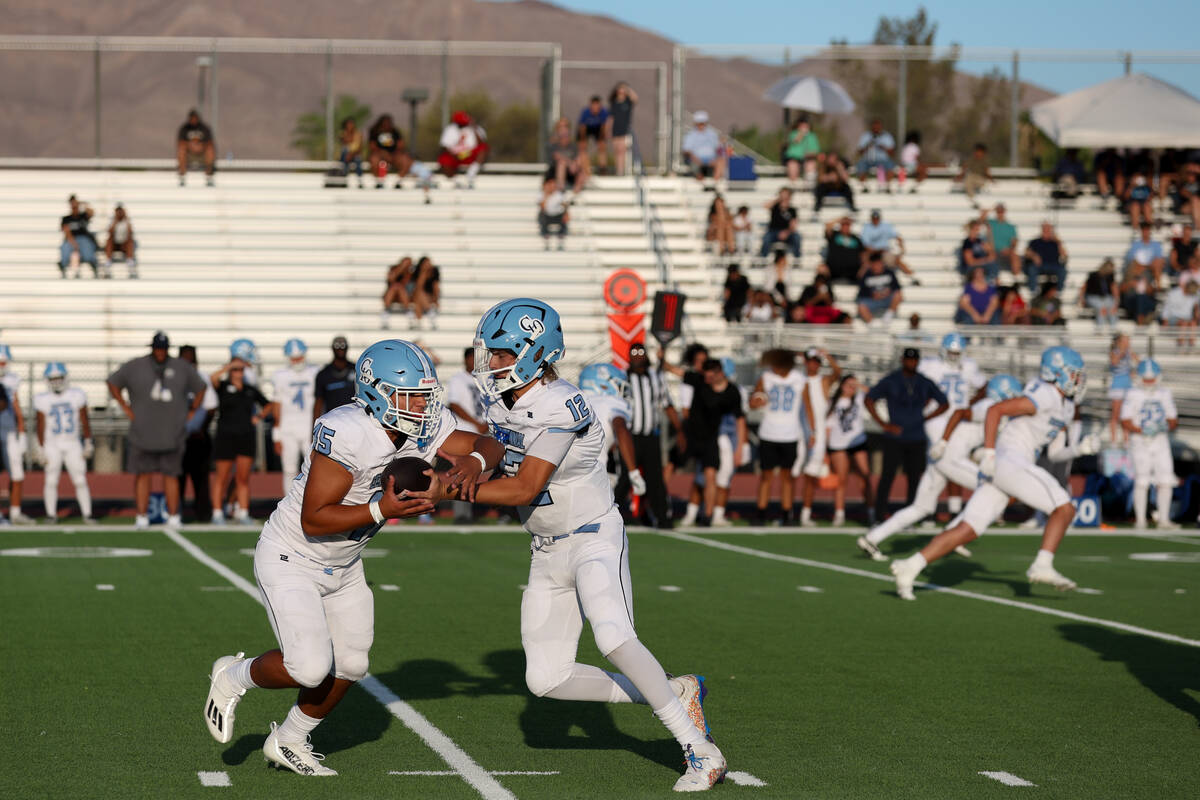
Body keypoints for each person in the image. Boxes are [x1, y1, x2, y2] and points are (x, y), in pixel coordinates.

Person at [413, 300, 727, 791]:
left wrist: (445, 489)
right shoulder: (506, 397)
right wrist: (471, 459)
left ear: (533, 352)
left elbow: (523, 488)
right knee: (546, 679)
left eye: (498, 353)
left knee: (614, 638)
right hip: (545, 547)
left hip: (592, 537)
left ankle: (699, 750)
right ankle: (673, 691)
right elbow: (500, 450)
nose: (488, 362)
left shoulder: (561, 402)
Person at [202, 339, 503, 775]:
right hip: (293, 555)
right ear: (378, 393)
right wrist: (383, 509)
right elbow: (315, 518)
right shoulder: (346, 430)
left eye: (425, 393)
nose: (423, 404)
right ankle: (234, 675)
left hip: (344, 562)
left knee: (353, 663)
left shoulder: (423, 421)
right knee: (308, 668)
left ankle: (289, 739)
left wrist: (474, 461)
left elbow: (488, 442)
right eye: (413, 394)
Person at [889, 347, 1090, 600]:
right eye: (1074, 374)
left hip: (1012, 466)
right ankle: (1042, 565)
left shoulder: (1067, 407)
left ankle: (910, 566)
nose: (1079, 379)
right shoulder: (1046, 394)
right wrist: (990, 453)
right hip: (1010, 461)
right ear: (1057, 373)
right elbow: (996, 410)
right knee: (1065, 508)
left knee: (968, 529)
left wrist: (1079, 449)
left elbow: (1054, 454)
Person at [856, 374, 1023, 562]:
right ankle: (953, 535)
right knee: (992, 488)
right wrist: (943, 442)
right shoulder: (988, 407)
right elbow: (959, 412)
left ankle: (872, 538)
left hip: (944, 457)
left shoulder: (994, 410)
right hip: (950, 456)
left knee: (921, 507)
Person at [107, 331, 207, 529]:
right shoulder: (136, 365)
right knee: (142, 475)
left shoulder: (181, 366)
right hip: (143, 433)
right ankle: (142, 516)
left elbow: (201, 387)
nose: (160, 352)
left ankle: (173, 516)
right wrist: (125, 406)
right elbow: (112, 382)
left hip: (172, 433)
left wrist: (192, 410)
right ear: (152, 348)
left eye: (163, 348)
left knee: (171, 475)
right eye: (157, 348)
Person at [865, 348, 949, 523]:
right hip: (894, 438)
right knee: (887, 476)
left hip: (916, 437)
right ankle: (879, 515)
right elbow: (869, 398)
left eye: (915, 360)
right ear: (903, 360)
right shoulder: (891, 380)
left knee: (914, 478)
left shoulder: (924, 382)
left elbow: (944, 403)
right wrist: (883, 424)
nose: (912, 363)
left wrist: (926, 417)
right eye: (909, 360)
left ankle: (911, 515)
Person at [208, 346, 270, 525]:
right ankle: (217, 512)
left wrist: (258, 417)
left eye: (240, 369)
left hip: (245, 436)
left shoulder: (250, 389)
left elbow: (268, 404)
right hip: (226, 436)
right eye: (235, 369)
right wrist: (229, 366)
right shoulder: (223, 387)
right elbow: (212, 378)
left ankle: (243, 511)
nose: (238, 372)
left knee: (243, 478)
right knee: (222, 476)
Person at [579, 363, 645, 516]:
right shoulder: (612, 403)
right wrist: (634, 472)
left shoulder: (577, 400)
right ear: (603, 384)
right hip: (592, 474)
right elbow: (621, 430)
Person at [748, 349, 804, 526]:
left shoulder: (799, 378)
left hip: (790, 434)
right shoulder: (766, 377)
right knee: (766, 475)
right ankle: (761, 512)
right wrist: (757, 400)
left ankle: (787, 513)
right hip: (769, 433)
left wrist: (813, 432)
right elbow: (754, 400)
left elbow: (808, 406)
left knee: (787, 477)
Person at [1120, 360, 1179, 529]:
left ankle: (1164, 519)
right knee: (1142, 480)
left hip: (1160, 440)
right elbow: (1125, 420)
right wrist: (1142, 430)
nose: (1149, 383)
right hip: (1140, 441)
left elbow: (1173, 419)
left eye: (1151, 379)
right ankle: (1140, 520)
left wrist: (1163, 426)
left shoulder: (1164, 393)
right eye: (1146, 379)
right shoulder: (1132, 394)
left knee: (1166, 479)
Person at [32, 363, 93, 522]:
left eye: (59, 378)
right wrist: (40, 447)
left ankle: (87, 514)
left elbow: (84, 420)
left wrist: (88, 441)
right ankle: (51, 514)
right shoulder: (42, 399)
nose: (57, 382)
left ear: (65, 378)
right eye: (53, 379)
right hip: (52, 444)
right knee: (51, 479)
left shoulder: (76, 395)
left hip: (72, 442)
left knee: (80, 479)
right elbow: (40, 424)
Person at [270, 339, 320, 495]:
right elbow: (277, 405)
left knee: (314, 468)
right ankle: (288, 505)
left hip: (309, 427)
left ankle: (313, 502)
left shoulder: (315, 372)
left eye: (299, 357)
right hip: (288, 427)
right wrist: (276, 435)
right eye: (294, 358)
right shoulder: (280, 376)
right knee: (289, 469)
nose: (297, 361)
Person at [798, 347, 841, 525]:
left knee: (811, 475)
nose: (813, 364)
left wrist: (827, 355)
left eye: (816, 361)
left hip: (818, 434)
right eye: (810, 361)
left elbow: (837, 372)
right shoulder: (798, 380)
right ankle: (787, 512)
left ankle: (805, 514)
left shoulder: (822, 381)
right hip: (799, 431)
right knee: (792, 472)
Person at [445, 347, 488, 523]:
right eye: (471, 358)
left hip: (483, 432)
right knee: (462, 473)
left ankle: (502, 510)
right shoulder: (458, 379)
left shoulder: (485, 379)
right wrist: (476, 423)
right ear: (465, 360)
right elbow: (454, 405)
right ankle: (462, 513)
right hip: (465, 432)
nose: (474, 362)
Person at [825, 374, 873, 526]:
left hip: (857, 442)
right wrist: (825, 451)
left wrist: (857, 385)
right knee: (841, 480)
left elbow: (872, 393)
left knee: (864, 477)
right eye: (847, 384)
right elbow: (828, 426)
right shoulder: (833, 402)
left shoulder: (859, 399)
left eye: (853, 385)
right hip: (838, 444)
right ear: (841, 385)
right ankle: (839, 513)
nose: (850, 388)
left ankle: (872, 512)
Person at [178, 345, 216, 522]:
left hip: (197, 436)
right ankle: (175, 512)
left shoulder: (202, 378)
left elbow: (211, 407)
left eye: (190, 359)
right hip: (177, 436)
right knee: (177, 476)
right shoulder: (174, 377)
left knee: (200, 478)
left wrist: (200, 428)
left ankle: (203, 514)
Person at [860, 209, 917, 282]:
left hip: (884, 251)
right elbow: (865, 244)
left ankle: (911, 276)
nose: (875, 220)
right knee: (865, 261)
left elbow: (897, 236)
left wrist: (901, 247)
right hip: (871, 251)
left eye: (877, 218)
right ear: (871, 219)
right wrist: (874, 250)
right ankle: (861, 279)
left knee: (896, 259)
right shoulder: (867, 227)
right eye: (874, 218)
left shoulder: (886, 226)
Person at [437, 111, 488, 187]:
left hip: (469, 154)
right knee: (444, 160)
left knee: (483, 148)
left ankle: (471, 173)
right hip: (455, 155)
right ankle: (454, 181)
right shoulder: (450, 129)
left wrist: (474, 128)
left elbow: (481, 143)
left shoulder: (475, 128)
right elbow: (445, 147)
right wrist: (455, 155)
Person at [313, 337, 355, 419]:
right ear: (332, 349)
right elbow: (318, 402)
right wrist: (314, 427)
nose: (340, 349)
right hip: (333, 421)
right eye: (337, 347)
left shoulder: (356, 370)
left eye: (343, 347)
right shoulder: (323, 374)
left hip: (354, 419)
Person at [367, 114, 412, 189]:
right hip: (379, 154)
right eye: (385, 123)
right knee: (374, 160)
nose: (387, 125)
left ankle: (398, 182)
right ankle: (379, 182)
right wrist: (383, 153)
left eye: (388, 123)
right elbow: (372, 146)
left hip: (393, 154)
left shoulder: (395, 131)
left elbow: (401, 145)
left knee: (406, 160)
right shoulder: (375, 132)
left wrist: (394, 154)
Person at [856, 252, 903, 324]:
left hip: (887, 299)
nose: (876, 266)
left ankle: (889, 315)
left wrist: (886, 293)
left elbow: (896, 287)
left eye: (878, 264)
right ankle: (872, 325)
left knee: (898, 294)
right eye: (874, 264)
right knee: (861, 306)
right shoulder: (866, 275)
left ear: (882, 263)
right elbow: (861, 293)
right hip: (872, 300)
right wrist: (872, 295)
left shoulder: (889, 273)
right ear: (871, 264)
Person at [1107, 333, 1138, 444]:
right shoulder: (1114, 352)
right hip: (1118, 387)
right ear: (1119, 342)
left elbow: (1139, 363)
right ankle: (1113, 440)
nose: (1127, 343)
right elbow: (1114, 362)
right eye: (1125, 341)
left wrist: (1133, 371)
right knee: (1115, 414)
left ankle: (1126, 440)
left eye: (1128, 341)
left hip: (1128, 386)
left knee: (1126, 414)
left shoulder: (1129, 353)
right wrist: (1122, 352)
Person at [59, 194, 99, 279]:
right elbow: (67, 231)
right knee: (67, 248)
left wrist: (83, 203)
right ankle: (64, 265)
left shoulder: (83, 216)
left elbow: (92, 212)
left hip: (83, 238)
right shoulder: (66, 218)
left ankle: (93, 263)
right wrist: (74, 243)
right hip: (71, 239)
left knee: (87, 247)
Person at [681, 111, 726, 184]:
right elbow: (686, 150)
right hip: (696, 159)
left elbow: (718, 148)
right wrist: (696, 159)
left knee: (721, 160)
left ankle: (715, 183)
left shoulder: (712, 134)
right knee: (694, 164)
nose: (701, 125)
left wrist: (716, 158)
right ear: (696, 123)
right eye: (699, 123)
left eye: (703, 123)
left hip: (711, 159)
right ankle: (701, 182)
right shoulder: (690, 135)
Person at [1023, 222, 1069, 293]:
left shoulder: (1056, 243)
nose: (1046, 231)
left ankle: (1059, 291)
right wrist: (1033, 256)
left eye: (1048, 229)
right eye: (1045, 229)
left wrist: (1058, 242)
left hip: (1053, 265)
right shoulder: (1035, 241)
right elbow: (1026, 253)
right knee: (1031, 269)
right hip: (1039, 266)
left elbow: (1065, 255)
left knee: (1063, 271)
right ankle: (1033, 291)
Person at [547, 116, 588, 193]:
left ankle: (573, 196)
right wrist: (570, 163)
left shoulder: (573, 146)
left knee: (582, 173)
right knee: (561, 165)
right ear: (557, 130)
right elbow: (558, 157)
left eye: (565, 126)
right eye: (561, 127)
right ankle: (560, 192)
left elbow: (578, 159)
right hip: (554, 175)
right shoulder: (553, 145)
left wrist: (575, 164)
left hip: (570, 173)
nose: (563, 130)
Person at [176, 109, 216, 186]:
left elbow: (210, 142)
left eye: (195, 118)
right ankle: (182, 176)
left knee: (210, 150)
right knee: (181, 150)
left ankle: (209, 176)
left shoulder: (204, 128)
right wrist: (191, 146)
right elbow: (180, 143)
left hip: (202, 154)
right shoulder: (184, 128)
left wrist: (200, 146)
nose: (193, 120)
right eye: (192, 118)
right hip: (189, 155)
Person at [822, 217, 866, 284]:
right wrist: (839, 219)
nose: (845, 227)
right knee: (821, 269)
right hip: (833, 270)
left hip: (853, 271)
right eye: (843, 225)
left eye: (847, 225)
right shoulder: (834, 235)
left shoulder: (856, 239)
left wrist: (863, 267)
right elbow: (827, 226)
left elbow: (863, 255)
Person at [1079, 258, 1120, 332]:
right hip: (1093, 297)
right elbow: (1084, 288)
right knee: (1101, 307)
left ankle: (1113, 329)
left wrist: (1116, 302)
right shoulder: (1093, 275)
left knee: (1112, 308)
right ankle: (1100, 329)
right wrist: (1081, 299)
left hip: (1106, 297)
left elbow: (1114, 288)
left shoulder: (1110, 276)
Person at [759, 187, 800, 258]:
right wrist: (778, 199)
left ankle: (797, 259)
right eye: (782, 194)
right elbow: (765, 206)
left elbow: (793, 225)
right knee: (766, 238)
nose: (784, 196)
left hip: (787, 232)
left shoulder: (792, 210)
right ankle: (763, 258)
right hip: (773, 231)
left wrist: (786, 233)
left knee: (797, 237)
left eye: (785, 194)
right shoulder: (775, 207)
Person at [854, 118, 895, 189]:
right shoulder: (866, 136)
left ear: (881, 127)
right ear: (871, 127)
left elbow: (892, 152)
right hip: (867, 160)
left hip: (883, 160)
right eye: (874, 127)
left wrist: (883, 148)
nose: (876, 129)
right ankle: (864, 187)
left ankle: (887, 187)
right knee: (860, 165)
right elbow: (859, 152)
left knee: (890, 165)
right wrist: (868, 146)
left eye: (878, 127)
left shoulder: (887, 136)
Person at [1124, 222, 1166, 290]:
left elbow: (1159, 258)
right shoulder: (1136, 244)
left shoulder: (1156, 245)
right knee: (1134, 265)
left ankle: (1158, 287)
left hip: (1151, 267)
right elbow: (1130, 258)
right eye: (1144, 230)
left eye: (1147, 230)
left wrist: (1147, 265)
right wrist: (1142, 264)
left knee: (1157, 263)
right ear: (1141, 231)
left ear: (1150, 232)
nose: (1145, 233)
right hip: (1139, 267)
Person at [608, 82, 638, 176]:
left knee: (622, 150)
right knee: (616, 150)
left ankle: (621, 171)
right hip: (615, 129)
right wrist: (608, 129)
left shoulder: (628, 102)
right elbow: (611, 118)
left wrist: (628, 89)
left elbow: (635, 98)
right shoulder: (614, 103)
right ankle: (618, 169)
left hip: (624, 129)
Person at [1161, 280, 1200, 350]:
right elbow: (1167, 309)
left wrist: (1196, 313)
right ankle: (1180, 344)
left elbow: (1196, 312)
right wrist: (1165, 321)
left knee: (1192, 323)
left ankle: (1191, 344)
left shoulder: (1195, 295)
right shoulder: (1174, 294)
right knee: (1183, 323)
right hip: (1174, 318)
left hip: (1188, 319)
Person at [984, 203, 1019, 277]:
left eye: (1001, 211)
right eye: (998, 211)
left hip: (1006, 252)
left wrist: (1009, 250)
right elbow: (980, 219)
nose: (1000, 213)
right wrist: (991, 209)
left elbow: (1014, 242)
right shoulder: (991, 223)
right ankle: (993, 277)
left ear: (1004, 212)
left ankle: (1016, 277)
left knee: (1014, 255)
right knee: (990, 254)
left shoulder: (1010, 227)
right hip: (993, 251)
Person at [577, 95, 610, 174]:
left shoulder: (603, 112)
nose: (595, 108)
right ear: (590, 105)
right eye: (594, 105)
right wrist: (583, 139)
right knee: (582, 146)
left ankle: (602, 167)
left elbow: (604, 126)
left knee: (602, 145)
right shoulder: (585, 112)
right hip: (586, 128)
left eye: (597, 106)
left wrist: (602, 138)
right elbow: (582, 127)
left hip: (597, 128)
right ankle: (583, 166)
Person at [959, 219, 998, 284]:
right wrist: (986, 260)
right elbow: (970, 262)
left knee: (994, 267)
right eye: (976, 229)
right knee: (981, 271)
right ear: (970, 230)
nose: (977, 232)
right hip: (971, 269)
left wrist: (989, 235)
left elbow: (992, 254)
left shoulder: (979, 241)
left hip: (982, 266)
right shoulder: (967, 243)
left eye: (978, 229)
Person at [380, 256, 414, 329]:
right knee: (395, 286)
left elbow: (406, 285)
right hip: (393, 295)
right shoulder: (393, 269)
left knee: (398, 286)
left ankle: (388, 310)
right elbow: (391, 279)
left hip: (404, 296)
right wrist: (401, 268)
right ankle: (387, 310)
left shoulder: (411, 274)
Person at [783, 117, 820, 183]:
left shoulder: (812, 136)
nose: (804, 127)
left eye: (806, 126)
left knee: (811, 166)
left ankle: (808, 186)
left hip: (808, 159)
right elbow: (795, 141)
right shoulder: (793, 133)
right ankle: (793, 185)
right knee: (792, 166)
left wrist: (808, 154)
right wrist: (801, 134)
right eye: (802, 126)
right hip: (794, 159)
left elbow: (816, 151)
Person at [538, 176, 570, 250]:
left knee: (564, 218)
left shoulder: (559, 195)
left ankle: (561, 239)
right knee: (542, 217)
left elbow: (565, 205)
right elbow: (542, 207)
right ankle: (546, 239)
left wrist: (566, 213)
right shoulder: (542, 194)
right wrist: (546, 195)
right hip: (547, 215)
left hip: (557, 215)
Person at [956, 142, 991, 207]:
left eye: (980, 151)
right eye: (977, 151)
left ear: (983, 152)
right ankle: (972, 199)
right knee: (968, 180)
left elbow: (987, 172)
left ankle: (974, 199)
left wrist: (992, 180)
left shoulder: (985, 160)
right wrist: (959, 177)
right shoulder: (971, 159)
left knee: (972, 182)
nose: (978, 153)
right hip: (972, 176)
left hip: (980, 178)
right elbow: (965, 168)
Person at [411, 256, 440, 330]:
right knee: (419, 295)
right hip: (419, 296)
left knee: (418, 296)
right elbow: (418, 286)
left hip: (428, 296)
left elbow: (435, 287)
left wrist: (436, 299)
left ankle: (418, 320)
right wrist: (423, 273)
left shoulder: (434, 272)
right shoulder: (417, 272)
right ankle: (430, 312)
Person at [338, 117, 365, 187]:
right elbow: (345, 144)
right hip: (346, 155)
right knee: (345, 153)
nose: (350, 125)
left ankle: (360, 181)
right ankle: (344, 179)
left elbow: (360, 148)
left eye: (351, 124)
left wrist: (352, 154)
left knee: (357, 159)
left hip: (355, 154)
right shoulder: (343, 133)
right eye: (349, 124)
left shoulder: (358, 134)